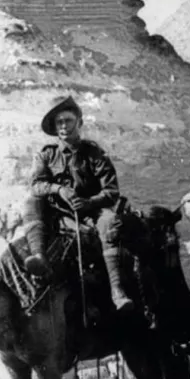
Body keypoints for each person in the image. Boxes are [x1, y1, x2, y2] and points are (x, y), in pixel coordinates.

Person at [17, 95, 134, 312]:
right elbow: (36, 185)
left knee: (110, 223)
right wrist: (58, 189)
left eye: (68, 120)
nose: (63, 126)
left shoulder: (94, 153)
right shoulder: (46, 155)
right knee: (30, 202)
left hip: (91, 213)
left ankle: (117, 291)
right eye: (59, 122)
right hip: (58, 214)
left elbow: (111, 191)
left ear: (79, 122)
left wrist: (88, 202)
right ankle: (39, 256)